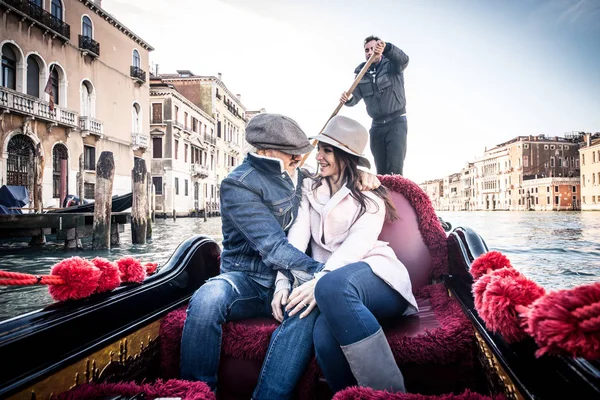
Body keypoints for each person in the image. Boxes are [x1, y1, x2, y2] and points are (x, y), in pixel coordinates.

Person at [180, 113, 378, 399]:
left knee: (307, 307)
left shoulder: (303, 176)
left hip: (291, 277)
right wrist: (323, 274)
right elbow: (273, 247)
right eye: (293, 155)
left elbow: (337, 171)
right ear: (265, 152)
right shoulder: (237, 184)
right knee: (207, 299)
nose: (301, 160)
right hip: (247, 280)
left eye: (301, 154)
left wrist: (361, 174)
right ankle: (197, 393)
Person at [273, 115, 418, 393]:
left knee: (331, 285)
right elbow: (295, 240)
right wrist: (282, 281)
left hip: (377, 279)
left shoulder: (371, 198)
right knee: (324, 338)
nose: (319, 157)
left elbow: (356, 247)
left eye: (327, 150)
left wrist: (318, 283)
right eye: (320, 149)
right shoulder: (309, 190)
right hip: (329, 288)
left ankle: (391, 395)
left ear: (345, 155)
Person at [340, 35, 409, 176]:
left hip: (396, 123)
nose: (370, 52)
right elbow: (355, 97)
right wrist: (347, 99)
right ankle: (383, 198)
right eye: (367, 50)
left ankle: (395, 197)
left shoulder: (392, 65)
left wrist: (387, 47)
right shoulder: (361, 73)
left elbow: (404, 60)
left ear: (380, 48)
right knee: (380, 173)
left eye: (373, 48)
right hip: (377, 127)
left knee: (395, 171)